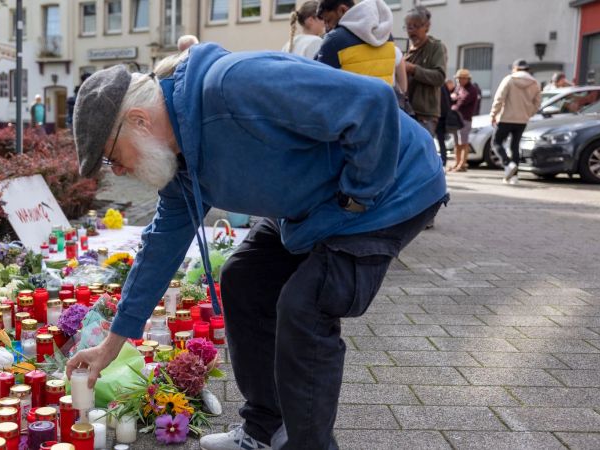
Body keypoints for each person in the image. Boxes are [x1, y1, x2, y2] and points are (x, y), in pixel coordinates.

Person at [67, 43, 447, 450]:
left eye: (111, 158)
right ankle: (262, 429)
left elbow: (371, 101)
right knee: (243, 278)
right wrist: (113, 341)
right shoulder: (178, 164)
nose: (120, 171)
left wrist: (357, 195)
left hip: (389, 190)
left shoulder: (235, 86)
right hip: (318, 205)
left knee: (307, 306)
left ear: (139, 121)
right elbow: (160, 247)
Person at [315, 0, 399, 87]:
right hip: (384, 99)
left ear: (342, 10)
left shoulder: (334, 39)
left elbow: (322, 82)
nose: (327, 27)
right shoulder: (386, 36)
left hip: (351, 100)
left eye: (328, 20)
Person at [490, 59, 542, 185]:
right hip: (522, 120)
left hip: (506, 118)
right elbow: (538, 103)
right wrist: (528, 114)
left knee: (496, 142)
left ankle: (508, 164)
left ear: (515, 68)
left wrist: (493, 114)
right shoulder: (534, 83)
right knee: (515, 146)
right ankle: (514, 177)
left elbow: (499, 98)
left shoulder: (509, 79)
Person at [404, 6, 447, 136]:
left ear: (427, 26)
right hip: (405, 111)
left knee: (421, 153)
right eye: (408, 27)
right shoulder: (406, 49)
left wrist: (412, 69)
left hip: (425, 114)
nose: (412, 31)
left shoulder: (435, 47)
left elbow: (439, 77)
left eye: (416, 26)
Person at [450, 69, 481, 172]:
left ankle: (462, 164)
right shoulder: (458, 88)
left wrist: (455, 100)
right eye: (458, 78)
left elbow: (462, 102)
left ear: (467, 79)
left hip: (465, 119)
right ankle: (457, 162)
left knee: (463, 142)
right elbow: (453, 98)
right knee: (456, 143)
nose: (459, 80)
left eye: (462, 78)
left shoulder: (472, 90)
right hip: (456, 119)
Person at [435, 81, 453, 167]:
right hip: (442, 116)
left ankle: (443, 161)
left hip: (438, 117)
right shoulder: (444, 86)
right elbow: (449, 102)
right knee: (441, 141)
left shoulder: (438, 85)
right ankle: (443, 161)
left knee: (439, 140)